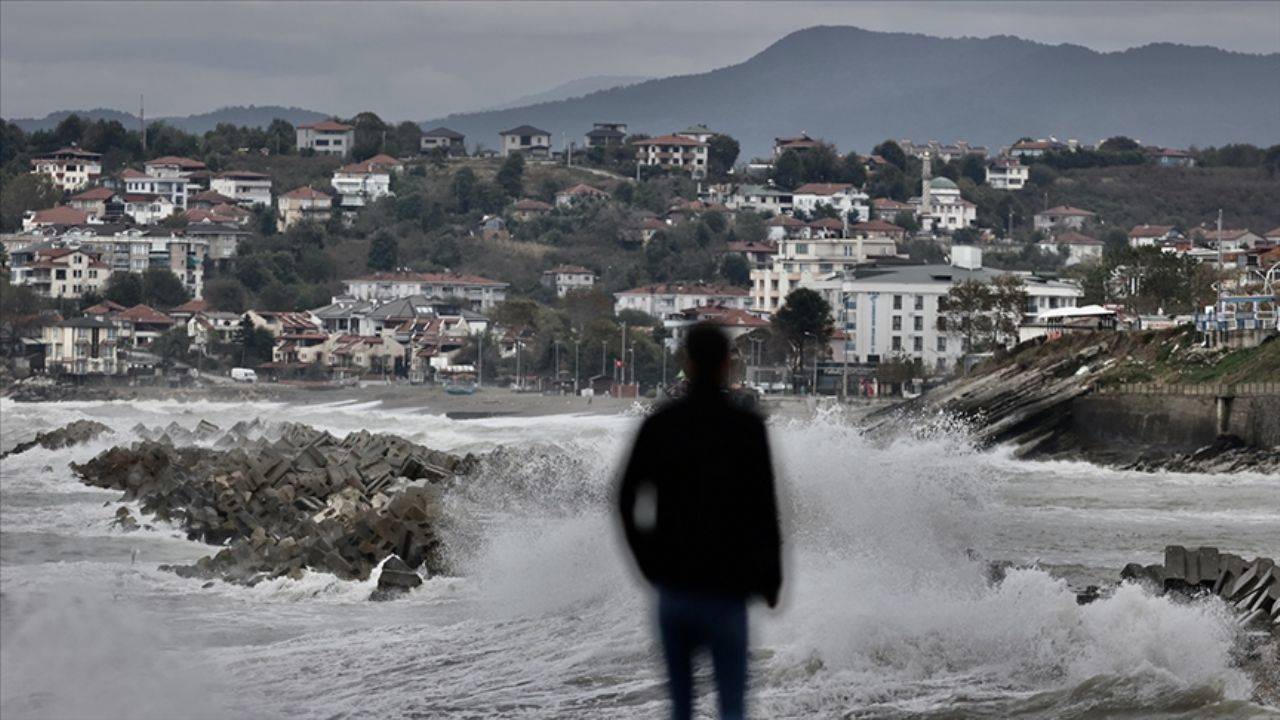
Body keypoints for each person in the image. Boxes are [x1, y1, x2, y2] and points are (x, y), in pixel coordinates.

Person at [617, 323, 782, 720]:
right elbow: (763, 507)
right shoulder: (747, 428)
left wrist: (648, 563)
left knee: (681, 707)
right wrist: (770, 577)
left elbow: (625, 498)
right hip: (728, 588)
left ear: (686, 362)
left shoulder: (660, 424)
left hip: (675, 587)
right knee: (731, 707)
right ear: (728, 363)